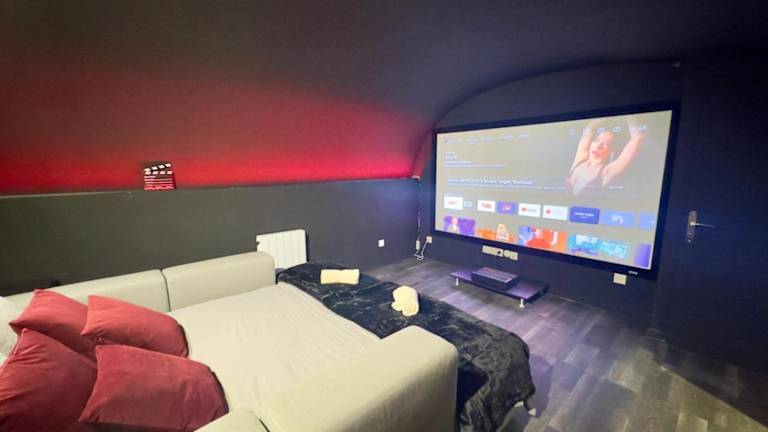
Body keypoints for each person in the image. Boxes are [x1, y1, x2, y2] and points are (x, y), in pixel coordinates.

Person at [566, 116, 645, 195]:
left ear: (612, 151)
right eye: (597, 140)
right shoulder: (580, 160)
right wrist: (608, 114)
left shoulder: (607, 172)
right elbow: (590, 127)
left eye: (606, 144)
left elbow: (638, 139)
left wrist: (628, 114)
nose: (598, 146)